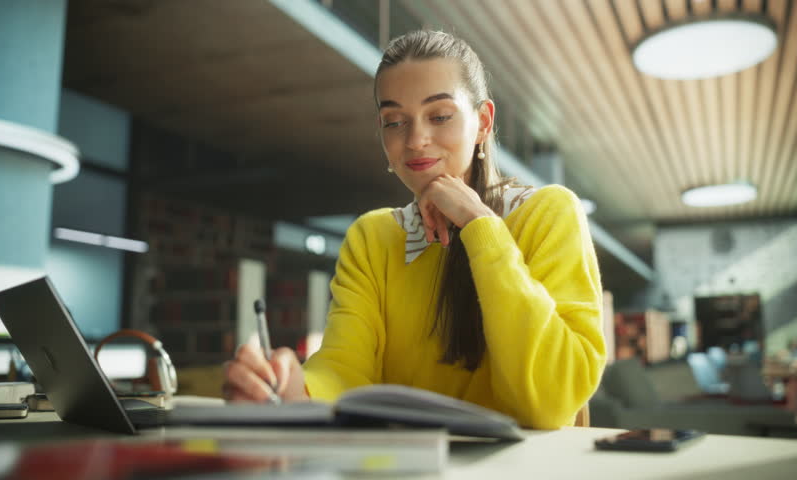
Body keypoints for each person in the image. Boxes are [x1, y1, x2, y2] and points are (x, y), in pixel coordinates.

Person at [223, 30, 605, 429]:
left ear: (483, 123)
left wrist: (480, 227)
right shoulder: (372, 238)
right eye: (394, 121)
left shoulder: (547, 213)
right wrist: (292, 388)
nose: (416, 140)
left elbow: (550, 402)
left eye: (439, 116)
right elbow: (343, 369)